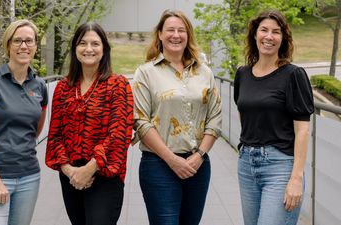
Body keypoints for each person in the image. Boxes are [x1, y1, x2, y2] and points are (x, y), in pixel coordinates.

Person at [132, 9, 222, 225]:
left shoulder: (204, 72)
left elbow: (215, 117)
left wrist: (199, 155)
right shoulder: (145, 72)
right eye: (170, 29)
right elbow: (141, 121)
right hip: (158, 165)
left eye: (181, 30)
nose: (176, 35)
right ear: (160, 35)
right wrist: (172, 160)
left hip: (197, 165)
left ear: (188, 35)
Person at [45, 22, 133, 225]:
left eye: (95, 43)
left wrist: (89, 169)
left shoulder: (117, 85)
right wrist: (70, 171)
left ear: (104, 49)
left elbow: (119, 135)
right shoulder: (63, 88)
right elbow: (55, 135)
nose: (88, 49)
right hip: (70, 177)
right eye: (82, 43)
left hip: (104, 175)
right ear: (75, 48)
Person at [234, 9, 314, 225]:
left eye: (276, 32)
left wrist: (296, 178)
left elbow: (303, 130)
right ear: (254, 34)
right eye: (264, 30)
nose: (269, 36)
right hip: (246, 165)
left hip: (280, 167)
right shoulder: (242, 74)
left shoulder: (293, 75)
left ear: (283, 38)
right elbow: (245, 114)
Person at [0, 19, 48, 225]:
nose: (23, 46)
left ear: (35, 46)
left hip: (29, 176)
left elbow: (35, 129)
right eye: (17, 41)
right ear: (8, 45)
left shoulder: (40, 86)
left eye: (29, 41)